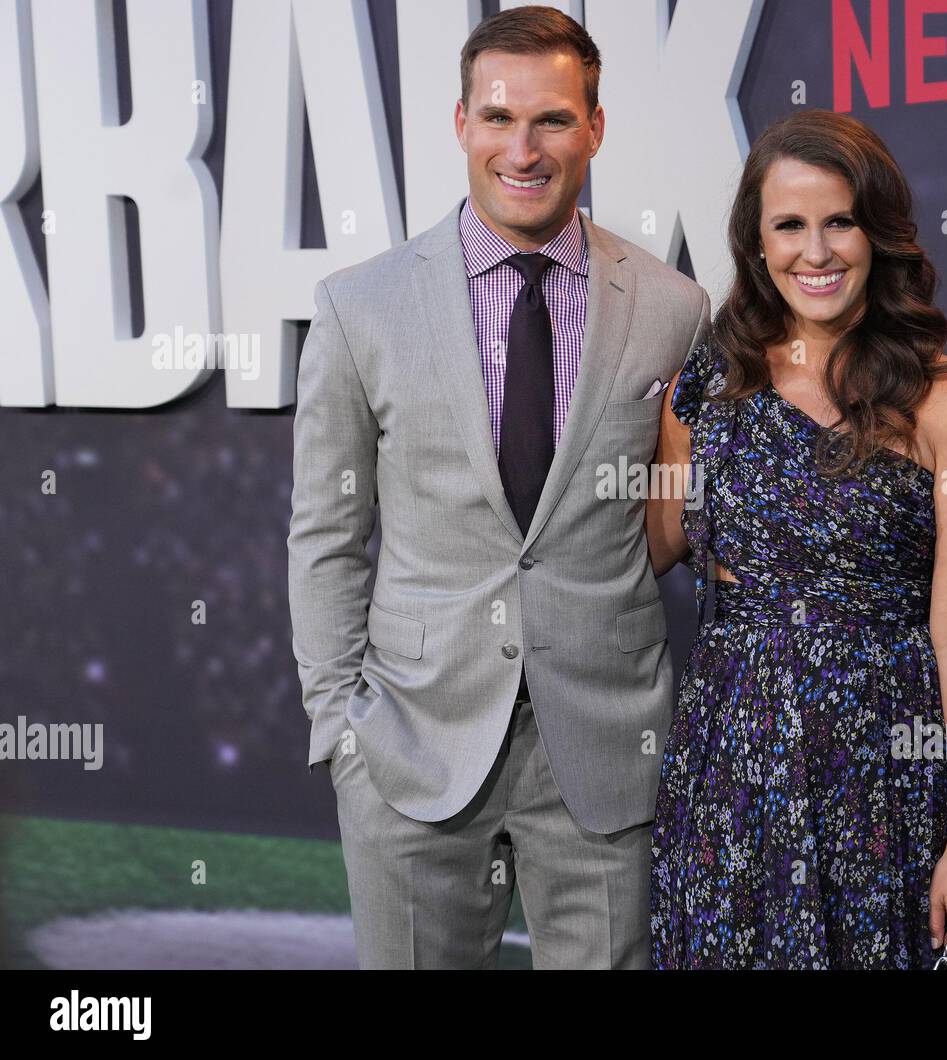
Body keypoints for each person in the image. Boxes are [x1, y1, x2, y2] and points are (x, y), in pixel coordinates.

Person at [287, 6, 708, 968]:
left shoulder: (673, 309)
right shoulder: (361, 306)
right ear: (461, 124)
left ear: (595, 128)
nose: (524, 147)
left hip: (604, 750)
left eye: (554, 120)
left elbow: (673, 517)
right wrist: (341, 731)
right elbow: (325, 534)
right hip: (410, 750)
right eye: (498, 117)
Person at [645, 109, 947, 969]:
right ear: (756, 243)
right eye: (789, 225)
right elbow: (651, 546)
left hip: (892, 772)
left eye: (839, 222)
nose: (814, 253)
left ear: (879, 234)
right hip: (731, 771)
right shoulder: (705, 388)